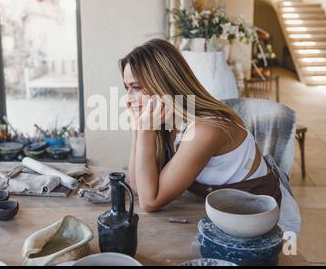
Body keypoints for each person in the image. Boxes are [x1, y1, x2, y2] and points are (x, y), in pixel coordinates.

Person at [121, 38, 300, 233]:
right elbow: (137, 187)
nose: (128, 98)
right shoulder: (166, 122)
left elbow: (149, 202)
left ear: (163, 83)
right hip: (217, 211)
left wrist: (145, 129)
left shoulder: (204, 129)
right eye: (126, 88)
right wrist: (137, 128)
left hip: (255, 219)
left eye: (136, 87)